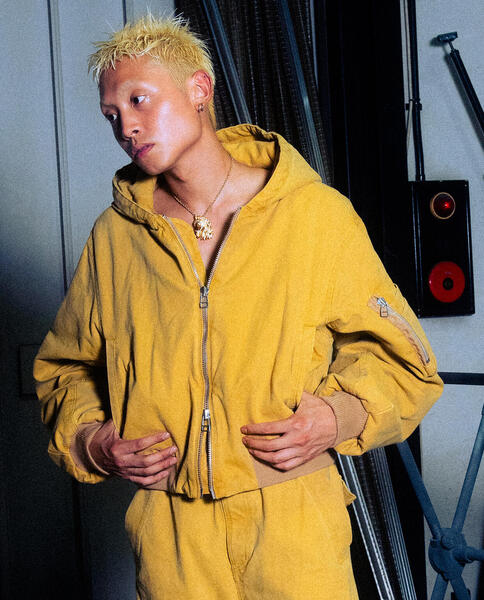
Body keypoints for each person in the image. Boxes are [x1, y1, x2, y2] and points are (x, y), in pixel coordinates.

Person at [33, 13, 443, 600]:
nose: (126, 125)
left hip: (295, 525)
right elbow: (64, 369)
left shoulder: (312, 216)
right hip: (172, 539)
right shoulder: (116, 237)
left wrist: (336, 417)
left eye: (139, 99)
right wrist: (96, 442)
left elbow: (406, 360)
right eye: (112, 114)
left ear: (199, 89)